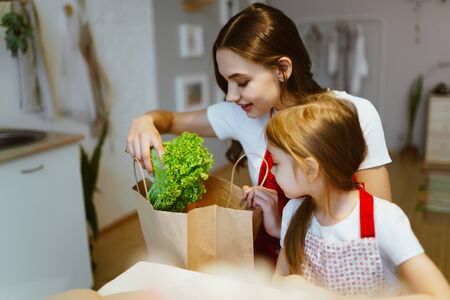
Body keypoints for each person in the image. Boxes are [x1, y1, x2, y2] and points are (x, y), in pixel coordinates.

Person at [126, 3, 392, 264]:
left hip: (342, 269)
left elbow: (379, 224)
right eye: (226, 82)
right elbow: (170, 120)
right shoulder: (241, 114)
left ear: (282, 69)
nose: (230, 96)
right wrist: (145, 121)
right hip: (272, 268)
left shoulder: (356, 114)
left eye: (241, 82)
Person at [267, 94, 450, 299]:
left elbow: (439, 294)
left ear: (310, 169)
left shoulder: (382, 218)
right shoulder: (294, 212)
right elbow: (277, 281)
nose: (272, 171)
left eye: (276, 163)